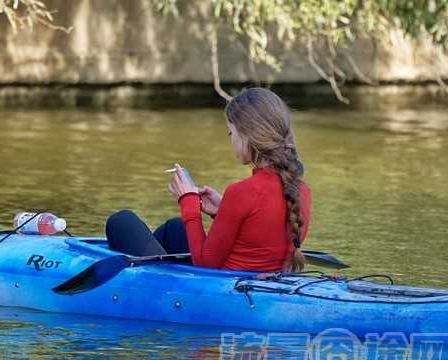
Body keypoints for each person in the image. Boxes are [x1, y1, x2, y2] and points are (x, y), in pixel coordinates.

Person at [106, 87, 311, 273]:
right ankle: (145, 271)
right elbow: (257, 236)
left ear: (247, 135)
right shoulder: (300, 190)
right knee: (175, 229)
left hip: (221, 286)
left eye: (231, 132)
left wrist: (188, 201)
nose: (230, 139)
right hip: (260, 278)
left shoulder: (242, 192)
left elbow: (206, 263)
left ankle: (144, 279)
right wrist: (223, 210)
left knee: (121, 221)